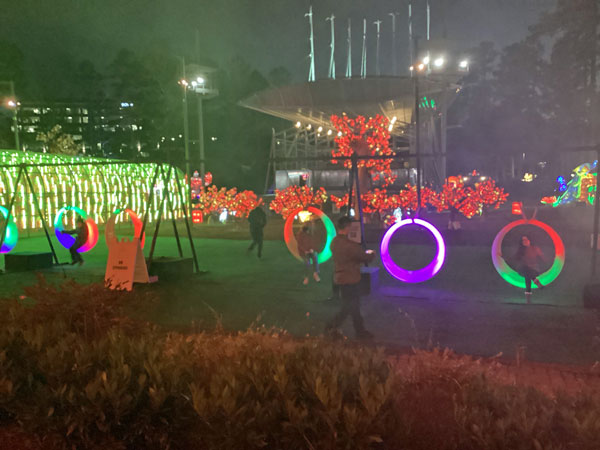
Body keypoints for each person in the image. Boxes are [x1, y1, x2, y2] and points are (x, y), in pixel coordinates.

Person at [325, 216, 375, 339]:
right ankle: (331, 327)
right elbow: (365, 257)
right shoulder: (350, 245)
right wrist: (372, 253)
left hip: (340, 278)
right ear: (347, 227)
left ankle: (359, 331)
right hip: (351, 279)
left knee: (352, 307)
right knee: (349, 307)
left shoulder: (334, 242)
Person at [503, 235, 545, 303]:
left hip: (534, 270)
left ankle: (528, 299)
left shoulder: (535, 248)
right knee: (526, 271)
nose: (524, 241)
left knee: (527, 275)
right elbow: (513, 258)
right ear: (521, 242)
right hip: (523, 270)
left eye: (526, 239)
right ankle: (536, 282)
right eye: (523, 240)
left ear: (529, 240)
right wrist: (503, 257)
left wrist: (552, 261)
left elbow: (542, 257)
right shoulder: (521, 251)